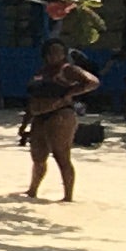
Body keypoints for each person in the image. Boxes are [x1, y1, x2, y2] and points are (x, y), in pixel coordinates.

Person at [21, 35, 100, 204]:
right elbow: (31, 99)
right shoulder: (41, 72)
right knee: (38, 157)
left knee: (61, 155)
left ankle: (68, 195)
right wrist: (24, 124)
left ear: (64, 54)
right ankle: (33, 189)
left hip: (60, 115)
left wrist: (70, 93)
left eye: (58, 52)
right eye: (50, 53)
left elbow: (93, 82)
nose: (54, 56)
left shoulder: (68, 70)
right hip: (39, 116)